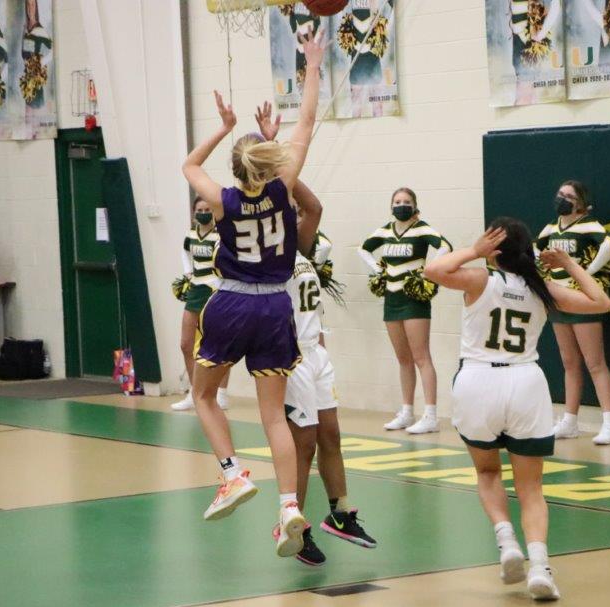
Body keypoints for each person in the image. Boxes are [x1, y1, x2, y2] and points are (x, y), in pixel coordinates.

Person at [181, 28, 326, 558]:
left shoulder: (222, 200)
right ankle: (289, 507)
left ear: (236, 169)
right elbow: (306, 121)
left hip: (231, 301)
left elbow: (188, 165)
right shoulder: (284, 187)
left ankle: (232, 474)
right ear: (269, 163)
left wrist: (225, 127)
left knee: (204, 395)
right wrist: (312, 64)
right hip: (275, 305)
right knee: (273, 415)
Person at [424, 217, 610, 600]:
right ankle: (540, 567)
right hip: (525, 382)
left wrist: (473, 251)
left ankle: (507, 542)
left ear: (493, 250)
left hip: (478, 380)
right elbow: (601, 302)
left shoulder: (480, 279)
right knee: (531, 487)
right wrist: (570, 264)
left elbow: (433, 270)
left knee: (487, 472)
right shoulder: (541, 287)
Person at [254, 106, 377, 565]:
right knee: (302, 443)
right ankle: (294, 525)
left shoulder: (301, 246)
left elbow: (315, 206)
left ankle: (340, 513)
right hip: (289, 359)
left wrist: (278, 158)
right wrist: (273, 168)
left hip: (316, 354)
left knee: (331, 435)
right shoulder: (268, 255)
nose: (293, 209)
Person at [358, 188, 451, 435]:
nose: (401, 205)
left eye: (406, 201)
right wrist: (377, 269)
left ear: (414, 205)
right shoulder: (385, 231)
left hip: (413, 299)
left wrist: (428, 271)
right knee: (403, 359)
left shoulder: (421, 229)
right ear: (391, 206)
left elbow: (445, 246)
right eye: (397, 201)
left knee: (422, 357)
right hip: (392, 298)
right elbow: (363, 248)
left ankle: (430, 415)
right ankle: (407, 411)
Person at [534, 180, 610, 444]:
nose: (562, 199)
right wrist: (540, 266)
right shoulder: (552, 227)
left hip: (581, 299)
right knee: (569, 362)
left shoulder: (589, 225)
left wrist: (588, 273)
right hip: (559, 299)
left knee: (595, 363)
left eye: (569, 196)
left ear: (580, 203)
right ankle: (570, 421)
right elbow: (535, 247)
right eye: (560, 194)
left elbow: (609, 244)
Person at [171, 197, 229, 412]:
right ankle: (194, 392)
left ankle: (221, 393)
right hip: (195, 290)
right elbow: (185, 252)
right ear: (194, 213)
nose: (204, 213)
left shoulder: (222, 234)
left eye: (207, 209)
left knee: (219, 343)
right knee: (186, 344)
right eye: (200, 210)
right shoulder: (191, 235)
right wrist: (188, 272)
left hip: (216, 291)